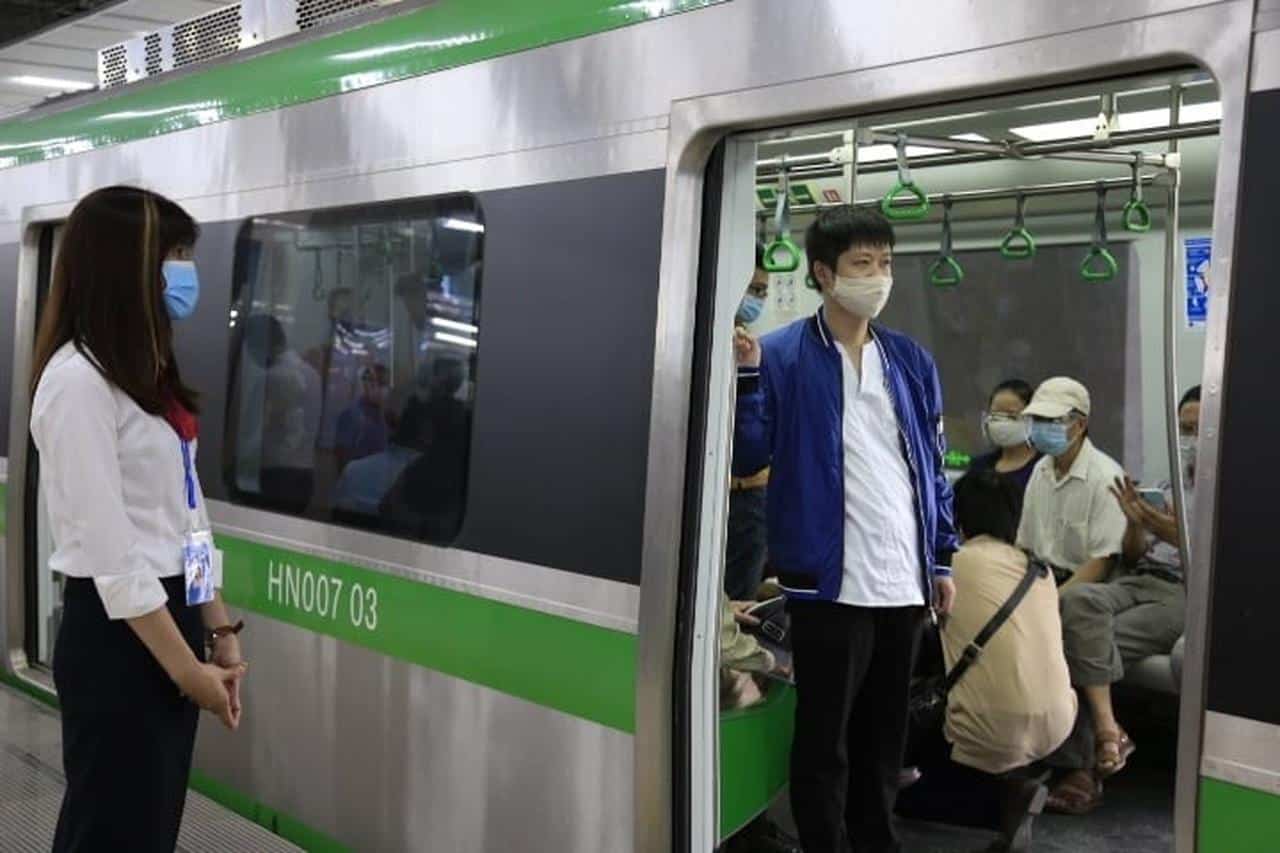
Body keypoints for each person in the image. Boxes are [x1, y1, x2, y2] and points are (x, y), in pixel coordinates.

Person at [28, 186, 247, 852]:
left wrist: (218, 625)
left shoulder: (145, 374)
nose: (186, 271)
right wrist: (187, 673)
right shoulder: (77, 383)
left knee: (148, 827)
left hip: (171, 622)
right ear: (127, 264)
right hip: (119, 637)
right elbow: (113, 557)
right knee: (111, 829)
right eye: (174, 253)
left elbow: (189, 516)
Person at [734, 206, 958, 853]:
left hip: (903, 580)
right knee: (824, 740)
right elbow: (748, 457)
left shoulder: (910, 361)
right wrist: (747, 380)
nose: (878, 277)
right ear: (824, 274)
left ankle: (877, 842)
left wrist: (942, 557)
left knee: (884, 740)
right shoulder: (781, 355)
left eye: (885, 262)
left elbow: (932, 468)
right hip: (828, 581)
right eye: (863, 263)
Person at [897, 469, 1075, 853]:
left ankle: (996, 805)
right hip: (1059, 721)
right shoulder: (1040, 571)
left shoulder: (952, 565)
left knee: (898, 770)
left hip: (994, 722)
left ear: (956, 516)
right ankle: (1010, 788)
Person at [1044, 386, 1199, 814]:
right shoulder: (1165, 486)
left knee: (1081, 640)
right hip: (1138, 577)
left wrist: (1171, 530)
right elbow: (1132, 555)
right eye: (1184, 429)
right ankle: (1109, 731)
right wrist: (1135, 524)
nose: (1189, 438)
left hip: (1186, 592)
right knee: (1079, 603)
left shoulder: (1230, 492)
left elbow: (1216, 561)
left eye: (1198, 429)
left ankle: (1083, 769)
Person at [1013, 377, 1128, 814]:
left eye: (1051, 421)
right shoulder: (1041, 472)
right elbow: (1026, 545)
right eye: (1037, 420)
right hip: (1045, 576)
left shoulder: (1104, 476)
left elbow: (1103, 561)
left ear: (1078, 425)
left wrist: (1050, 599)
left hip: (1088, 585)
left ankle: (1080, 766)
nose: (1041, 429)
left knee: (1060, 628)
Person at [725, 243, 772, 601]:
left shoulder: (754, 352)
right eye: (751, 288)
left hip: (750, 498)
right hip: (720, 495)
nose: (757, 299)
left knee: (740, 601)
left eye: (762, 292)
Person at [968, 379, 1040, 521]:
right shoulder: (979, 466)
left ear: (1030, 419)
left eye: (1011, 416)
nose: (1001, 423)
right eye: (995, 416)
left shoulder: (1043, 468)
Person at [335, 364, 391, 470]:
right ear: (366, 385)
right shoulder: (351, 414)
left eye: (385, 384)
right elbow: (342, 455)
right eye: (378, 383)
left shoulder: (381, 417)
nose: (382, 389)